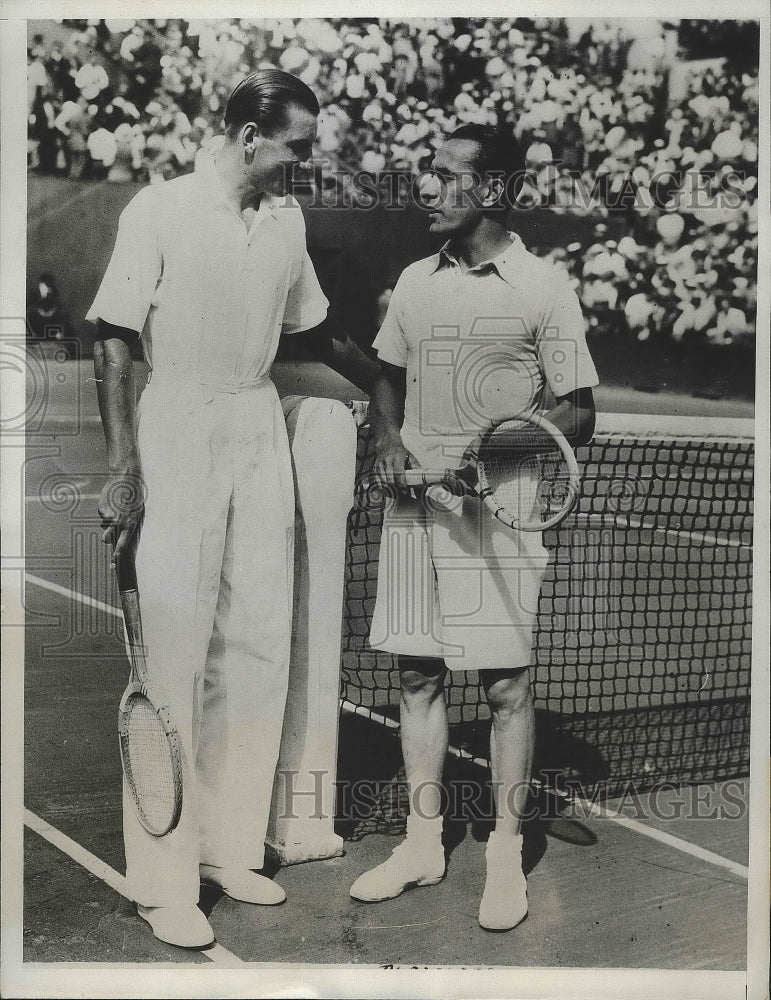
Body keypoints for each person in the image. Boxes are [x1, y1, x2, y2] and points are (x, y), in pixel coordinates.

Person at [89, 69, 375, 949]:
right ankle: (161, 878)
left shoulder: (287, 220)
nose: (303, 161)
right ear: (250, 137)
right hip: (175, 421)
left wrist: (388, 393)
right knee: (175, 651)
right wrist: (122, 464)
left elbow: (312, 332)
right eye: (294, 145)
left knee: (256, 642)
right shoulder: (159, 209)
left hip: (255, 423)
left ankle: (225, 845)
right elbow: (113, 336)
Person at [349, 123, 598, 931]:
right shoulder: (415, 279)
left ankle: (501, 855)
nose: (425, 186)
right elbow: (387, 377)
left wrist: (486, 453)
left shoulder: (542, 286)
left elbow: (576, 412)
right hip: (417, 510)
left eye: (443, 174)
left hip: (500, 514)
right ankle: (423, 844)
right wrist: (387, 437)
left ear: (489, 190)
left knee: (503, 687)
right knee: (418, 678)